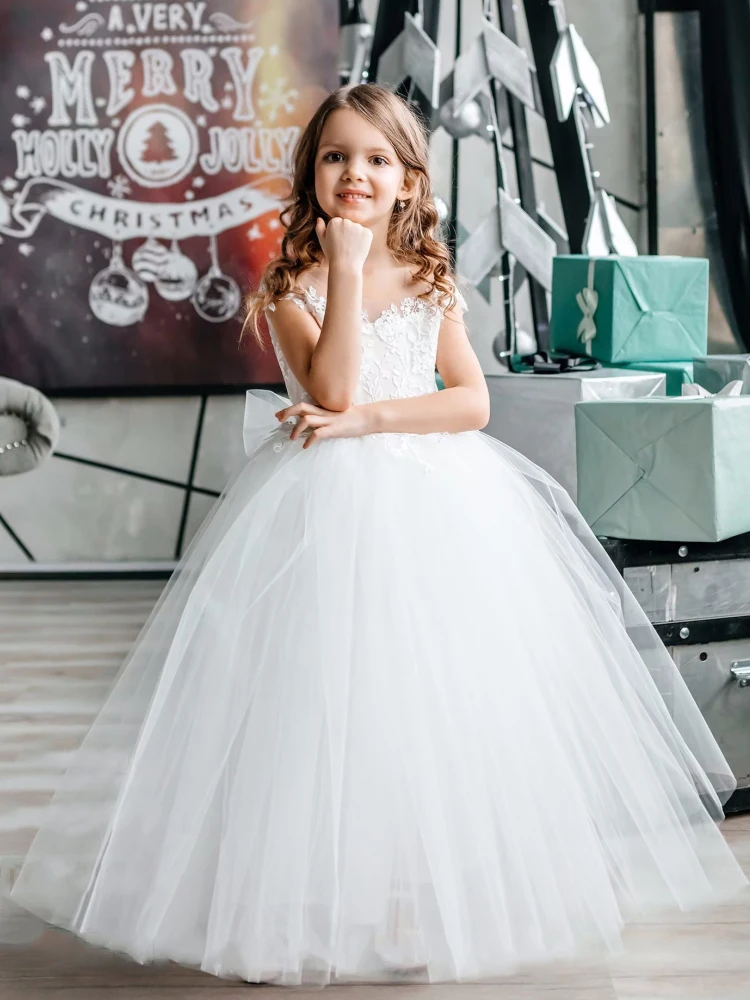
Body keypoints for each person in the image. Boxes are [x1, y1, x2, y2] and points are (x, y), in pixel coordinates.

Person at [5, 84, 747, 987]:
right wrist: (349, 274)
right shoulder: (290, 285)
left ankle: (418, 901)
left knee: (430, 707)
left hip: (438, 507)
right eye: (335, 156)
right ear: (312, 171)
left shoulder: (432, 278)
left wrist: (370, 423)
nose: (354, 172)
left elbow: (469, 403)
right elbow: (332, 393)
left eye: (376, 158)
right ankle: (307, 899)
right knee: (322, 708)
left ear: (408, 181)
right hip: (322, 514)